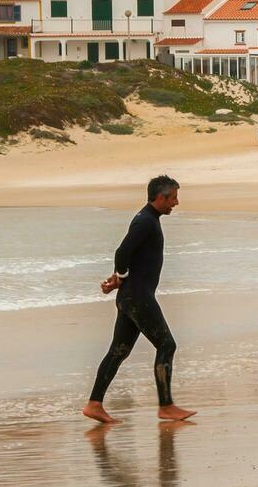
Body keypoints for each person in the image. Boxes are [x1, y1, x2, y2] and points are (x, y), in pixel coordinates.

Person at [84, 176, 196, 424]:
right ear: (161, 197)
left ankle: (94, 404)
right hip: (138, 298)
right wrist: (121, 276)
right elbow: (122, 252)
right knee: (167, 345)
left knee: (118, 351)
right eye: (174, 197)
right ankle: (166, 406)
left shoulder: (147, 219)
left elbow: (129, 256)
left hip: (130, 297)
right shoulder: (146, 221)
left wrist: (118, 279)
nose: (176, 203)